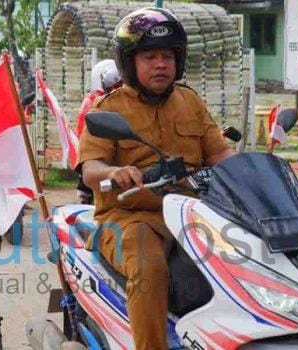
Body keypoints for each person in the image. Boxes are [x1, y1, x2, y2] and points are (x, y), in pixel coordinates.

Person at [78, 8, 233, 349]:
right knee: (149, 271)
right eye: (150, 57)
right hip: (130, 218)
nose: (161, 64)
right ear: (129, 63)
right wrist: (114, 172)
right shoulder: (109, 109)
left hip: (194, 215)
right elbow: (90, 168)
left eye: (167, 56)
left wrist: (248, 173)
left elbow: (220, 154)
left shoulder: (190, 101)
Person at [75, 59, 122, 204]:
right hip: (96, 156)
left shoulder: (127, 101)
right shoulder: (96, 103)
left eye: (120, 85)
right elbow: (83, 132)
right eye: (115, 86)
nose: (118, 90)